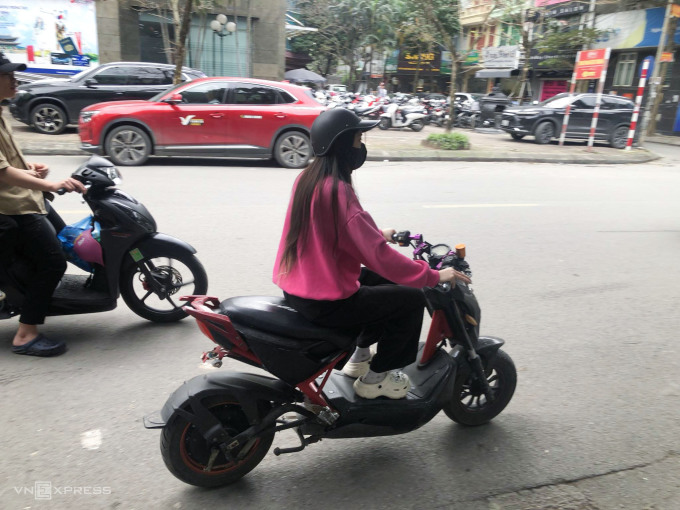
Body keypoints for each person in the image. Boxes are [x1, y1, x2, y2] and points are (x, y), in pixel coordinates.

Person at [273, 108, 470, 399]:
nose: (361, 146)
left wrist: (379, 235)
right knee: (411, 299)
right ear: (341, 144)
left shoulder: (308, 180)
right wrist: (432, 275)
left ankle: (359, 358)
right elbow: (379, 256)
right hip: (326, 302)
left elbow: (336, 233)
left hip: (302, 288)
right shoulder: (338, 190)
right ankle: (376, 379)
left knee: (380, 283)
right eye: (357, 139)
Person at [0, 51, 86, 357]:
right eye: (8, 75)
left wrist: (31, 168)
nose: (15, 79)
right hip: (13, 207)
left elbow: (8, 163)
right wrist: (49, 184)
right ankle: (26, 334)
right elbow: (1, 172)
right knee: (52, 263)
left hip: (26, 198)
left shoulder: (1, 112)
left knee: (65, 240)